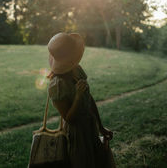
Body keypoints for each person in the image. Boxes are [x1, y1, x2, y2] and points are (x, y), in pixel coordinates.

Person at [47, 32, 116, 168]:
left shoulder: (76, 70)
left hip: (90, 127)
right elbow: (69, 118)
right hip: (77, 135)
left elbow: (89, 99)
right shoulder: (57, 85)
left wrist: (100, 127)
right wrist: (77, 96)